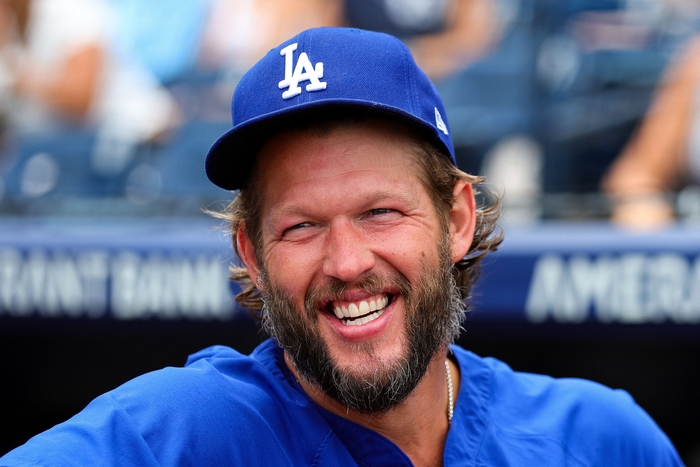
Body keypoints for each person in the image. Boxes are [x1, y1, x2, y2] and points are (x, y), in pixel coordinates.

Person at [0, 27, 683, 466]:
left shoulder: (600, 439)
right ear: (252, 253)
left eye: (380, 212)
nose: (348, 261)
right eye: (300, 226)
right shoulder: (176, 434)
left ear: (456, 220)